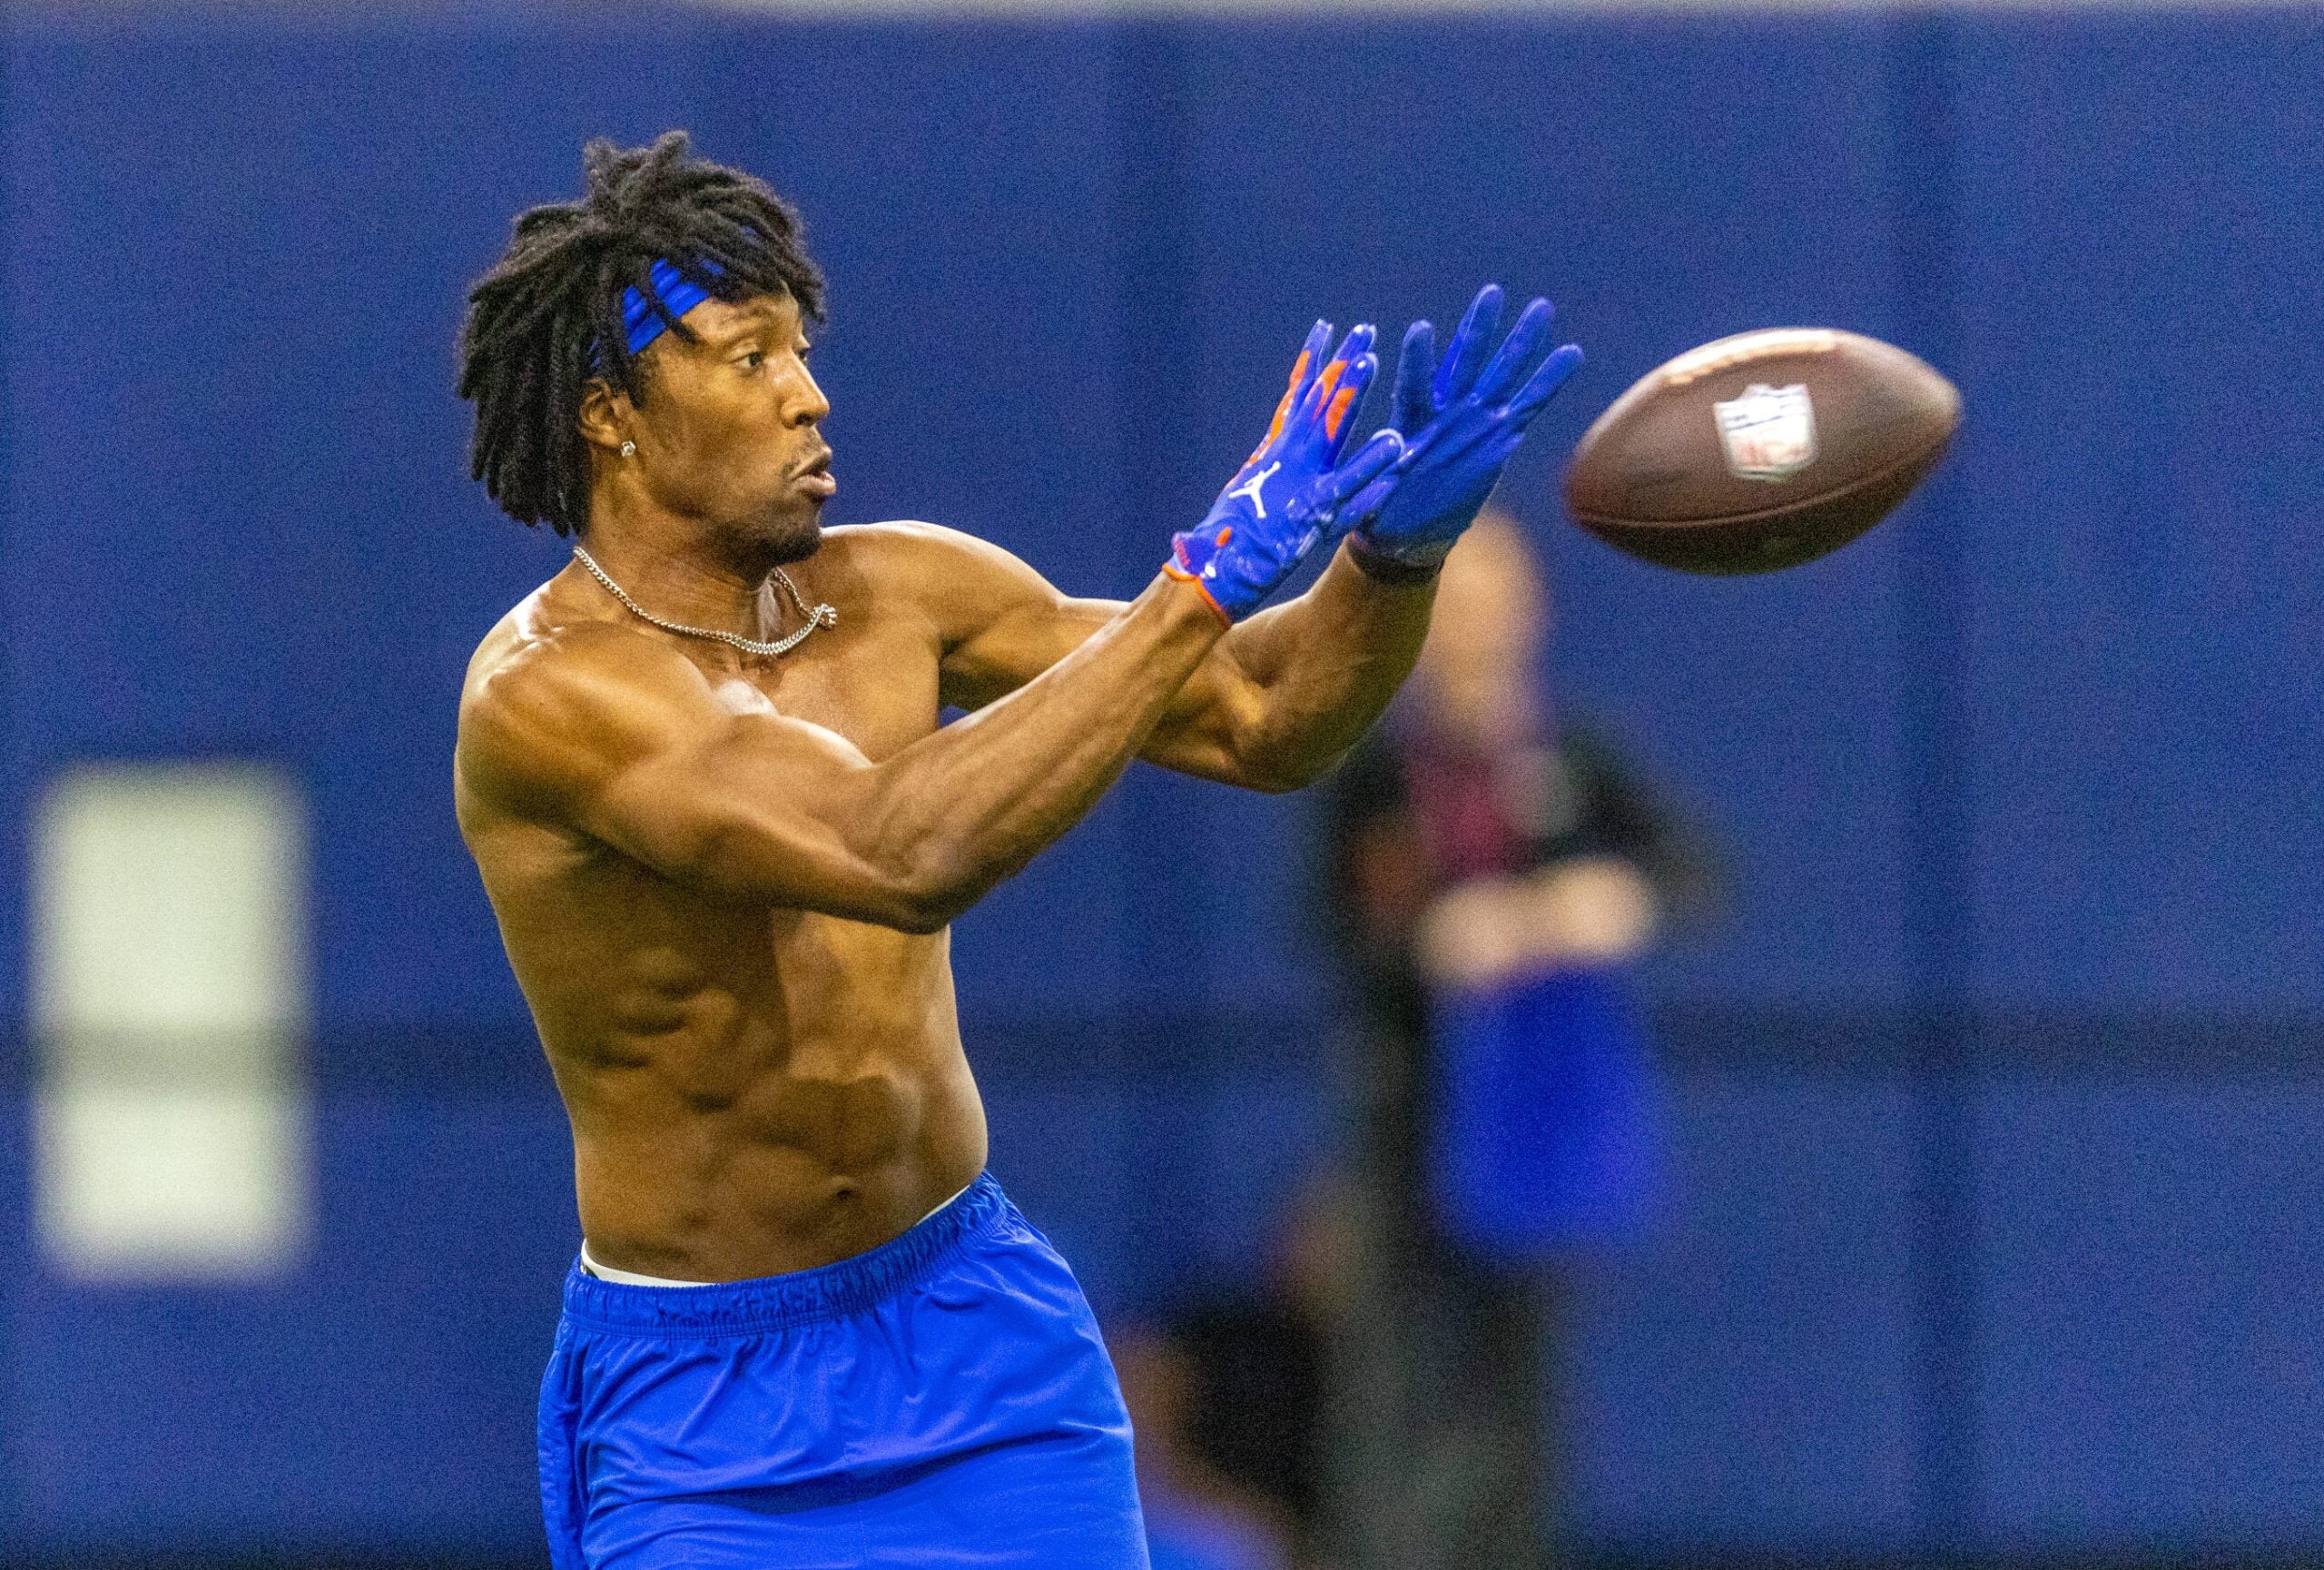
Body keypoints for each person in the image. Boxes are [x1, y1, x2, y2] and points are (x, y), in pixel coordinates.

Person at [450, 130, 1581, 1570]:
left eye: (801, 348)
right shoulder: (547, 695)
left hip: (974, 1342)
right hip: (706, 1410)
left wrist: (1389, 564)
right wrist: (1196, 586)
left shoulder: (900, 591)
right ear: (612, 411)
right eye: (747, 358)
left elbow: (1262, 716)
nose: (809, 396)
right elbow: (892, 845)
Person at [1318, 509, 1718, 1569]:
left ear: (1530, 614)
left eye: (1495, 603)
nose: (1476, 629)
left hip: (1530, 1128)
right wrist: (1431, 944)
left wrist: (1607, 899)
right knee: (1396, 1385)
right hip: (1412, 1122)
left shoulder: (1570, 758)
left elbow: (1685, 869)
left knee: (1518, 1382)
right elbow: (1335, 925)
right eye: (1455, 606)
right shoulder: (1379, 774)